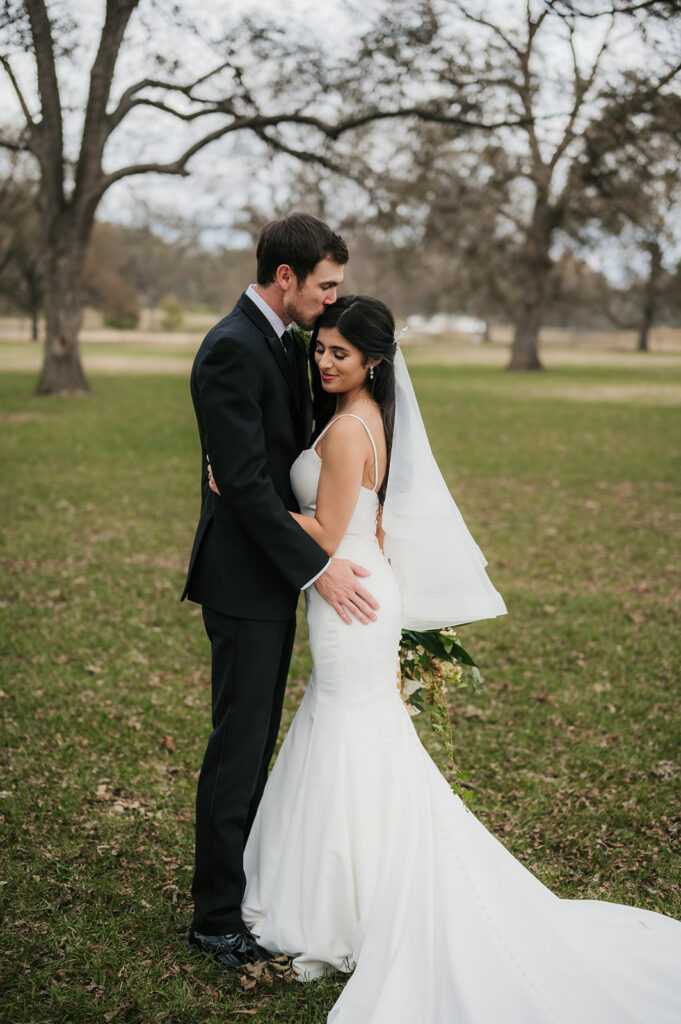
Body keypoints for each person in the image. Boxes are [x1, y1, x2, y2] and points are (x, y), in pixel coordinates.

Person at [209, 294, 681, 1022]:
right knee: (359, 732)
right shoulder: (371, 417)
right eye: (320, 349)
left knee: (347, 731)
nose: (323, 362)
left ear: (372, 359)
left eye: (338, 352)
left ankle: (345, 900)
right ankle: (353, 881)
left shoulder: (344, 434)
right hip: (364, 591)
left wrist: (239, 496)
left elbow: (329, 534)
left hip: (348, 597)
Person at [181, 215, 380, 969]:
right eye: (326, 284)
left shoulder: (286, 341)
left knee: (255, 736)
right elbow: (242, 483)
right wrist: (317, 565)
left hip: (273, 569)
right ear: (286, 276)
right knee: (238, 745)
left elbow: (275, 463)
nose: (334, 301)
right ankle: (214, 918)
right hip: (244, 580)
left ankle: (240, 890)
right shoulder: (231, 347)